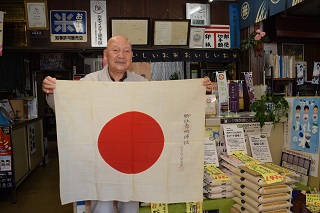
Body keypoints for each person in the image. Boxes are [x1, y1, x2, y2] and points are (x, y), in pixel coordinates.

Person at [42, 35, 213, 213]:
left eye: (126, 51)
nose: (121, 55)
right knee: (103, 207)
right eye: (115, 50)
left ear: (132, 56)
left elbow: (164, 108)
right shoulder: (89, 83)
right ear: (105, 55)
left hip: (132, 159)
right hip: (101, 157)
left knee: (130, 206)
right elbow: (64, 108)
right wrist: (53, 92)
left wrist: (199, 90)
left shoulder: (141, 84)